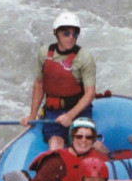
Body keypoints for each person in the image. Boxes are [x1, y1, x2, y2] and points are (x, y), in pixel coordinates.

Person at [20, 11, 102, 151]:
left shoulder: (85, 58)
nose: (71, 37)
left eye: (74, 34)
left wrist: (70, 115)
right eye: (66, 33)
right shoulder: (44, 53)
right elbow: (39, 84)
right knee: (55, 145)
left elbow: (89, 93)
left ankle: (110, 161)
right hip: (53, 111)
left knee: (90, 144)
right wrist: (32, 115)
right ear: (56, 33)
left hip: (79, 110)